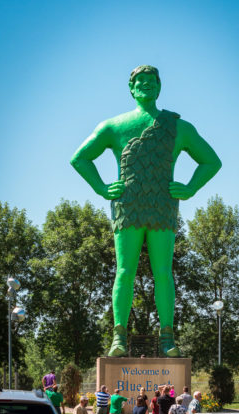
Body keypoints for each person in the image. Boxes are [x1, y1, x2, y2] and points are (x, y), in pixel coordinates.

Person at [70, 65, 222, 358]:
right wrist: (101, 188)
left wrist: (190, 187)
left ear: (159, 86)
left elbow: (211, 161)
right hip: (127, 206)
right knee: (124, 271)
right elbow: (80, 158)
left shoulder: (178, 127)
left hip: (163, 206)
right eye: (140, 81)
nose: (146, 85)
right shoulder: (114, 126)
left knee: (163, 272)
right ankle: (118, 338)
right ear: (132, 88)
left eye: (151, 81)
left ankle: (167, 337)